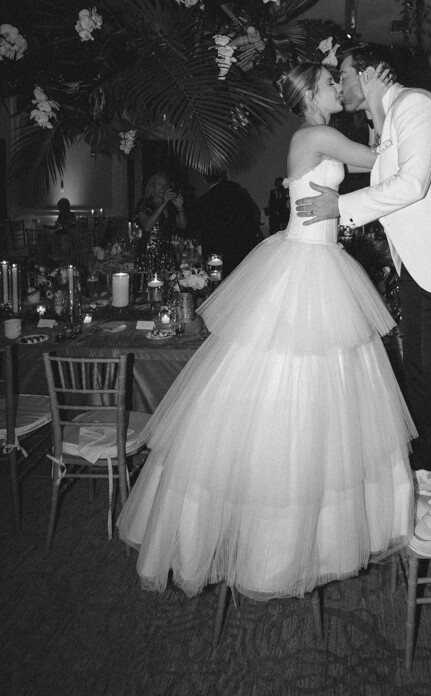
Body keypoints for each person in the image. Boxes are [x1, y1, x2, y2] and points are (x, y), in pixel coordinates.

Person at [117, 61, 415, 601]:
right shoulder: (317, 135)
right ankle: (282, 548)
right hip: (310, 264)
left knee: (316, 387)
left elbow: (373, 160)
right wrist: (380, 102)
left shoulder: (318, 135)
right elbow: (381, 160)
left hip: (315, 259)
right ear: (312, 95)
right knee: (299, 386)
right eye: (330, 83)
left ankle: (308, 542)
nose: (337, 88)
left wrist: (375, 118)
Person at [295, 44, 431, 544]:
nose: (340, 83)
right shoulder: (388, 119)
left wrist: (339, 208)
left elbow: (411, 185)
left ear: (370, 73)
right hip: (420, 264)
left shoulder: (416, 105)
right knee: (417, 370)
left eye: (344, 74)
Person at [193, 171, 262, 277]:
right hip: (240, 249)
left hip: (215, 253)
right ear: (222, 177)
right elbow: (254, 214)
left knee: (216, 281)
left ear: (205, 180)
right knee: (239, 280)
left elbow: (198, 228)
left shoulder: (203, 200)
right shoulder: (238, 193)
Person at [133, 173, 186, 274]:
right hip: (148, 255)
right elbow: (147, 227)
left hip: (168, 255)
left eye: (165, 185)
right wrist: (163, 204)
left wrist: (179, 208)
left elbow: (182, 226)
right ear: (152, 188)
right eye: (159, 184)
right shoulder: (144, 204)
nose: (163, 188)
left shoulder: (170, 206)